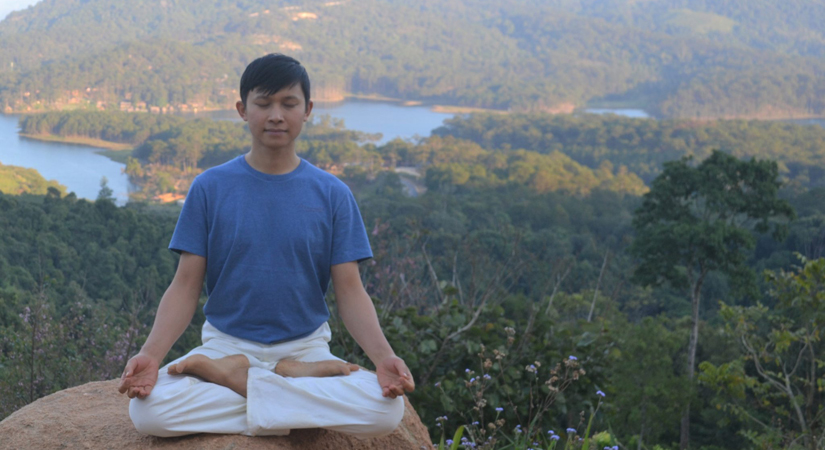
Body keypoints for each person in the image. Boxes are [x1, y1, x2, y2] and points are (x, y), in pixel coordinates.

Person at [117, 53, 415, 438]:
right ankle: (287, 392)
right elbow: (185, 285)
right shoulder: (210, 188)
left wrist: (384, 357)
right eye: (264, 103)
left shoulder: (333, 194)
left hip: (306, 350)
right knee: (149, 414)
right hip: (225, 345)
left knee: (385, 413)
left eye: (289, 104)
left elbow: (351, 291)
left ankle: (252, 381)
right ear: (243, 110)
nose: (276, 115)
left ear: (307, 110)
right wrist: (151, 355)